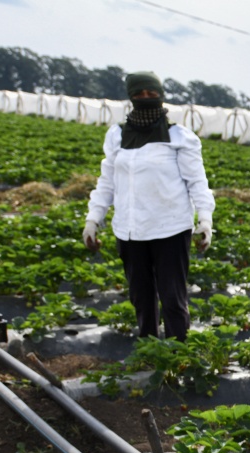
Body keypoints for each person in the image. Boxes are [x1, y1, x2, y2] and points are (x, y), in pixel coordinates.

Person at [82, 71, 215, 341]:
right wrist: (93, 219)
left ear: (161, 96)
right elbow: (107, 182)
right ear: (130, 97)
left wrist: (205, 219)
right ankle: (148, 350)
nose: (145, 98)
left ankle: (178, 353)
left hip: (170, 230)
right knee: (141, 298)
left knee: (172, 299)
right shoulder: (117, 135)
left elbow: (197, 182)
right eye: (139, 94)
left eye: (151, 93)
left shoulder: (179, 136)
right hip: (130, 231)